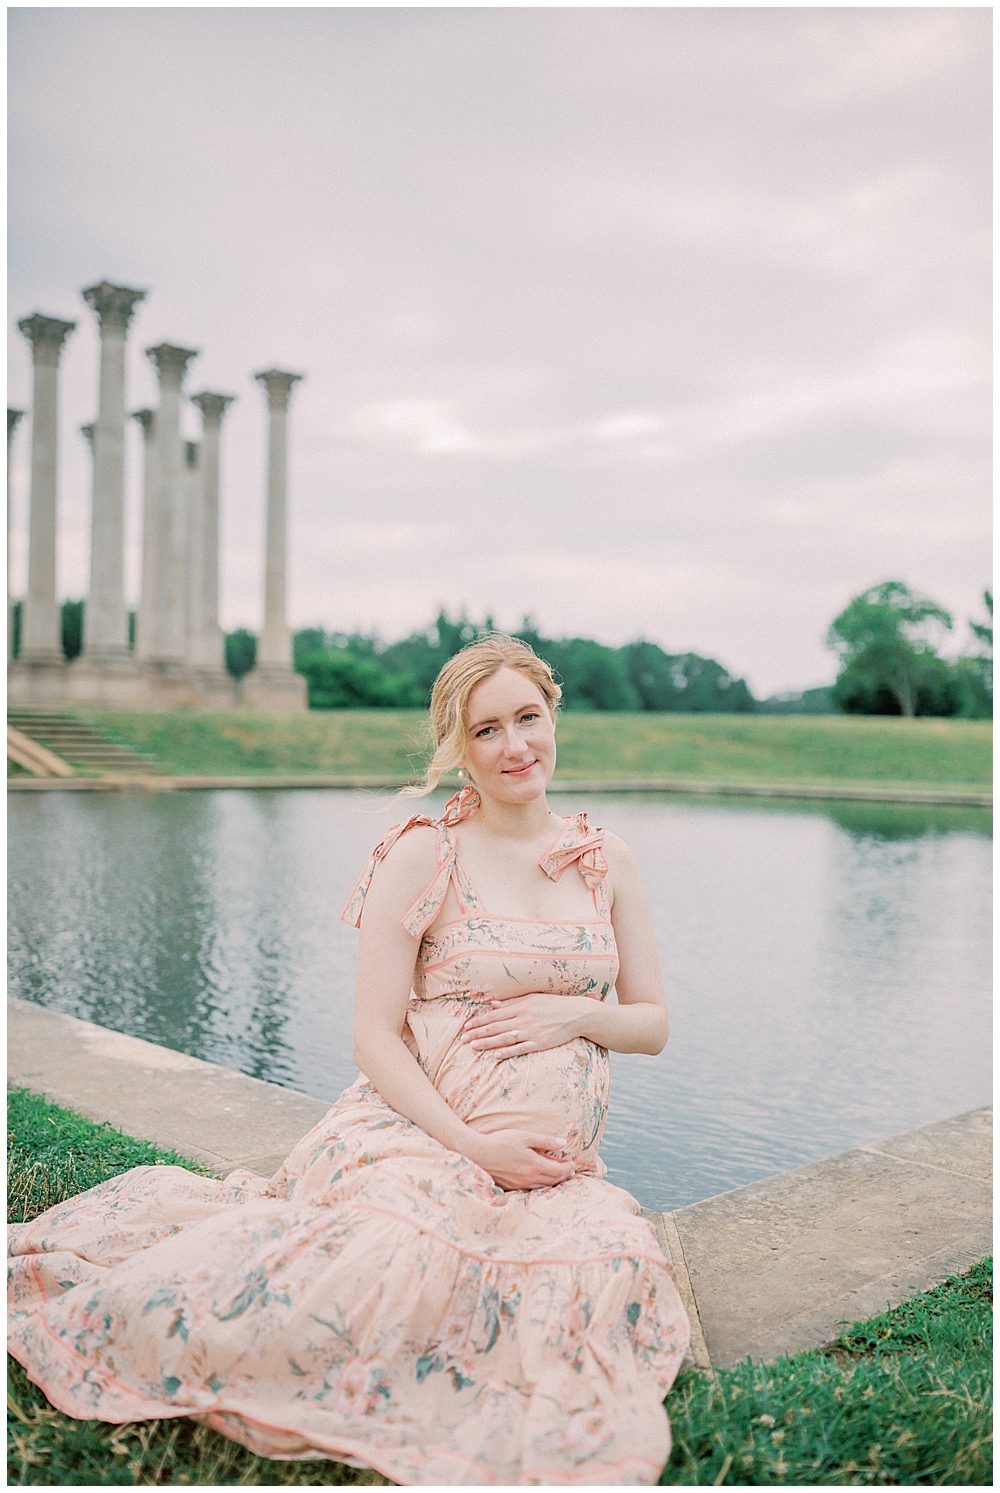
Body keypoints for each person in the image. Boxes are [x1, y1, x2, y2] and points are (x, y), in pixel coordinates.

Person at [8, 632, 690, 1486]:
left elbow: (653, 1022)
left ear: (554, 715)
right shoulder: (422, 850)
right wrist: (475, 1148)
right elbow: (374, 1038)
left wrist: (573, 1013)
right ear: (457, 746)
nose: (515, 745)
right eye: (486, 730)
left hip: (554, 1170)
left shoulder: (606, 859)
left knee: (607, 1274)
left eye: (528, 717)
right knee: (383, 1267)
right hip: (421, 1134)